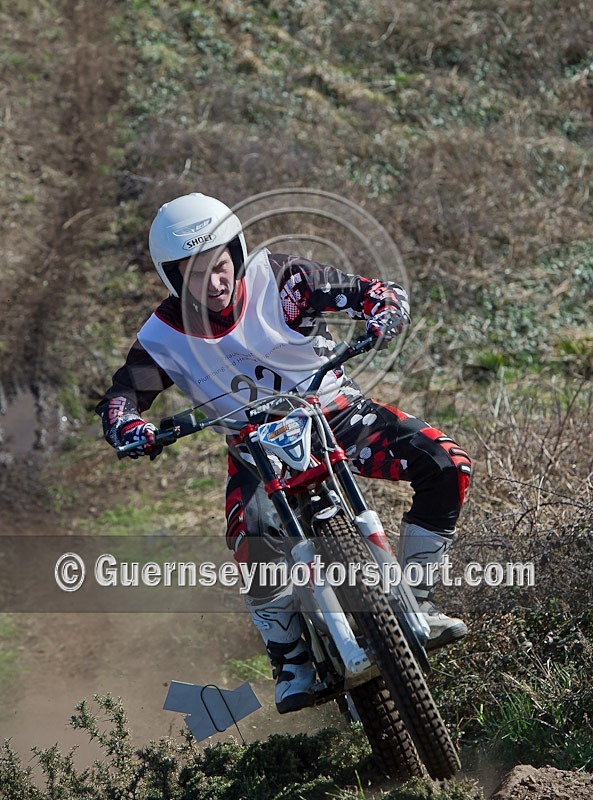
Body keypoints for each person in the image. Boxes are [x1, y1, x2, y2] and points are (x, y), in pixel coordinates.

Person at [96, 192, 472, 713]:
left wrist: (383, 307)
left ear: (236, 251)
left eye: (220, 265)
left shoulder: (283, 279)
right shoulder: (163, 336)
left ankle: (420, 599)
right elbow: (122, 396)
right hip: (254, 447)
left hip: (334, 413)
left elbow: (366, 292)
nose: (215, 282)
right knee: (249, 541)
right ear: (172, 278)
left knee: (447, 464)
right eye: (196, 274)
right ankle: (290, 658)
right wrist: (127, 425)